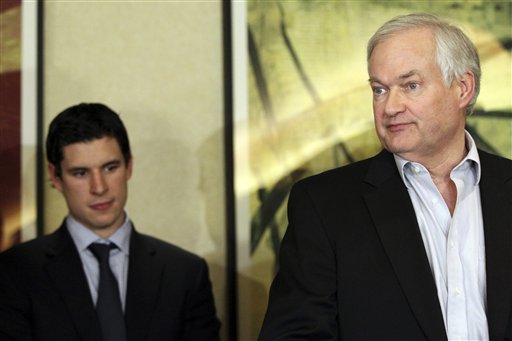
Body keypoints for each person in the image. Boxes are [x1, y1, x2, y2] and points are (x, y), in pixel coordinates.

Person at [259, 13, 512, 341]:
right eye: (379, 89)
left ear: (463, 88)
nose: (390, 106)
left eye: (411, 85)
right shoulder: (324, 205)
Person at [0, 103, 221, 340]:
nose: (99, 187)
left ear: (129, 167)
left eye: (110, 168)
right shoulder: (14, 273)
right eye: (80, 173)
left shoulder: (184, 273)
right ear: (56, 177)